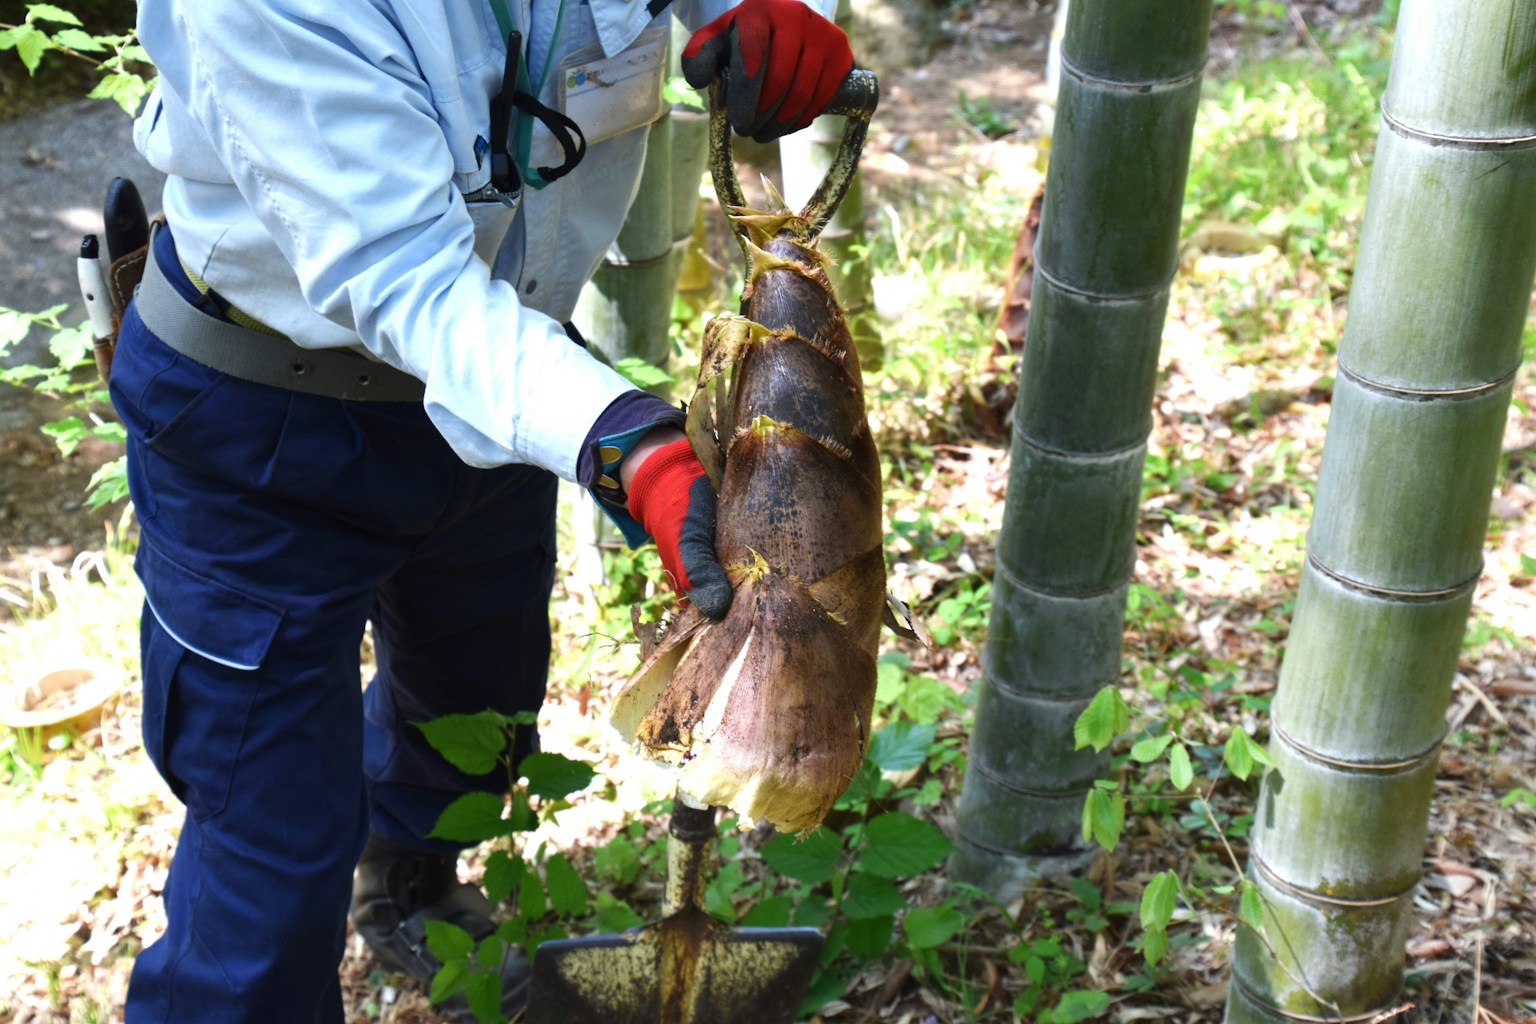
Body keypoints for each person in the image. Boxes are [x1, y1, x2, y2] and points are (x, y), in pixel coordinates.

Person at [109, 0, 855, 1018]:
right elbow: (400, 276)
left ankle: (406, 881)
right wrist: (626, 445)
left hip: (510, 395)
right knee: (267, 849)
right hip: (260, 419)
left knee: (476, 700)